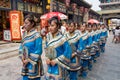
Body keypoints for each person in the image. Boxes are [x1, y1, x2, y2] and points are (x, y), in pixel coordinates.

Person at [19, 14, 44, 80]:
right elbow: (21, 46)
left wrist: (28, 60)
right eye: (24, 23)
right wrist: (22, 57)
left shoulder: (37, 35)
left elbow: (38, 51)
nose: (24, 25)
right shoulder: (24, 34)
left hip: (34, 64)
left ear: (32, 23)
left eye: (26, 23)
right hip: (25, 64)